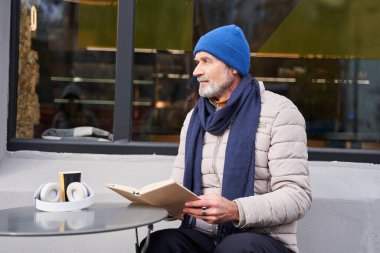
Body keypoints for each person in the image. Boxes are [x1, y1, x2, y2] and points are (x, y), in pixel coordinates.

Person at [144, 25, 312, 253]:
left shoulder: (280, 113)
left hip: (260, 239)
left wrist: (235, 209)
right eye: (196, 62)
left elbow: (297, 197)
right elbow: (179, 186)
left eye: (206, 61)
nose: (196, 71)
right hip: (201, 234)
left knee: (235, 247)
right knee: (161, 243)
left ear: (233, 67)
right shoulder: (195, 117)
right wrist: (168, 205)